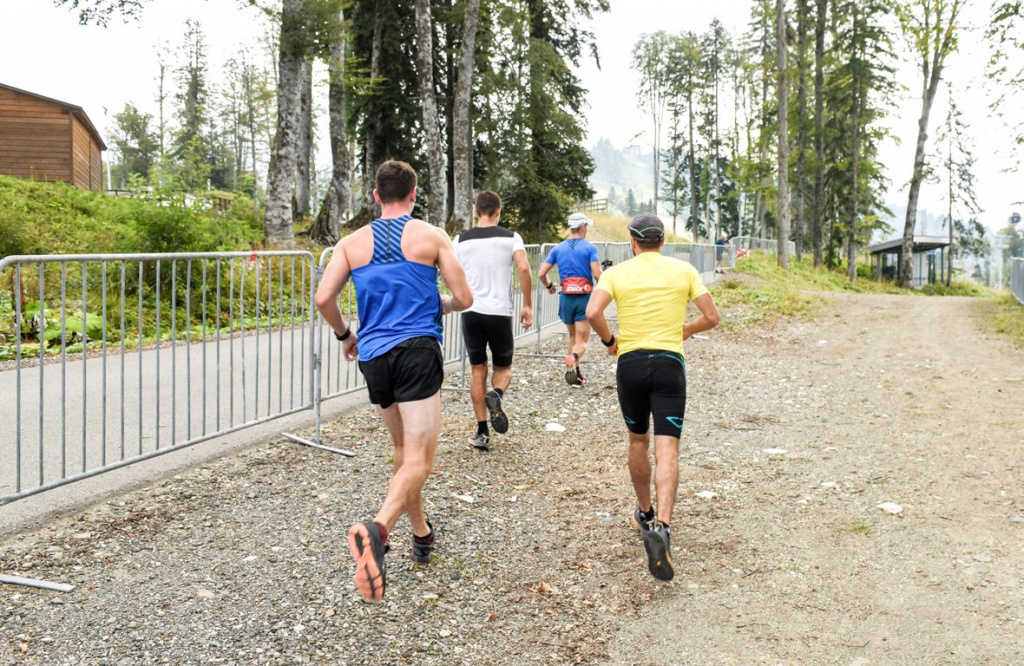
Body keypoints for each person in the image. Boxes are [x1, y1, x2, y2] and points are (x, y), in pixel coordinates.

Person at [315, 160, 473, 603]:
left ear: (375, 195)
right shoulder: (430, 236)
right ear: (414, 193)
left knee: (405, 453)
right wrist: (436, 303)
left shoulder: (350, 243)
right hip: (417, 351)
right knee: (421, 457)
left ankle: (421, 534)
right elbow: (464, 297)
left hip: (375, 355)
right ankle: (378, 529)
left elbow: (324, 298)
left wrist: (347, 334)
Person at [585, 213, 720, 582]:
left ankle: (644, 512)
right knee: (667, 449)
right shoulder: (684, 270)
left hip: (630, 364)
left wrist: (610, 342)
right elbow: (712, 316)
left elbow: (592, 311)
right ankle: (663, 525)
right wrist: (687, 330)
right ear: (662, 242)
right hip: (668, 365)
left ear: (632, 242)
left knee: (637, 439)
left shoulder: (616, 273)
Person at [452, 191, 533, 451]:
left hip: (471, 311)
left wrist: (457, 297)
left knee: (478, 369)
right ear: (498, 212)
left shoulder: (460, 240)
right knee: (503, 368)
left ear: (476, 212)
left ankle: (482, 432)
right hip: (499, 312)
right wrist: (528, 305)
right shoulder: (511, 237)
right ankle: (496, 395)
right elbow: (523, 267)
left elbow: (450, 271)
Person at [537, 212, 602, 387]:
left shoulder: (558, 248)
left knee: (572, 335)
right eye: (586, 227)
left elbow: (541, 273)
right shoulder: (590, 248)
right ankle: (573, 357)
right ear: (582, 228)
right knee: (582, 341)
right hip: (583, 298)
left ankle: (576, 375)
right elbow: (597, 275)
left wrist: (550, 286)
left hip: (566, 298)